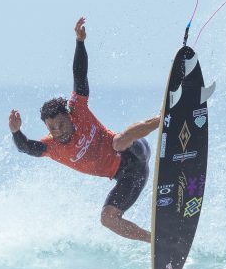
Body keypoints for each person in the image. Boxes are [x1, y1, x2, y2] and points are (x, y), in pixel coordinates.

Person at [9, 17, 161, 243]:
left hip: (134, 151)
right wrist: (16, 132)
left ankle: (163, 118)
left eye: (60, 124)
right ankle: (156, 241)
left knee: (117, 142)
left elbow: (79, 74)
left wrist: (79, 42)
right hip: (128, 177)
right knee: (107, 219)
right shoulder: (50, 147)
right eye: (52, 128)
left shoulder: (77, 108)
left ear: (69, 117)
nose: (58, 131)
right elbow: (25, 148)